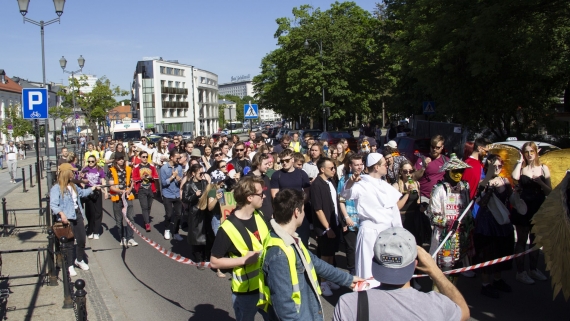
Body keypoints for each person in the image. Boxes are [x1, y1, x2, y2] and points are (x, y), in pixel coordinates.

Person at [258, 189, 362, 320]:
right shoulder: (278, 254)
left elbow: (318, 264)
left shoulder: (292, 240)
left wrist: (349, 280)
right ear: (296, 212)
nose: (304, 213)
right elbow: (284, 307)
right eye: (303, 209)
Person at [333, 227, 470, 321]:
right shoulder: (437, 305)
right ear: (416, 264)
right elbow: (463, 312)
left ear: (374, 261)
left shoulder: (349, 304)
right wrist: (435, 271)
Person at [209, 176, 271, 321]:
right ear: (250, 197)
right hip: (246, 292)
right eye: (261, 194)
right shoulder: (227, 228)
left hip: (267, 286)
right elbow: (214, 262)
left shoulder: (260, 215)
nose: (264, 196)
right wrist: (244, 260)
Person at [340, 152, 402, 288]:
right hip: (369, 232)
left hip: (387, 233)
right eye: (385, 165)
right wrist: (351, 181)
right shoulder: (361, 184)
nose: (387, 166)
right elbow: (345, 194)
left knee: (387, 269)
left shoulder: (386, 186)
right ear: (376, 167)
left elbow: (394, 212)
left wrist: (399, 232)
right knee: (367, 270)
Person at [473, 154, 516, 298]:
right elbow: (481, 202)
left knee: (501, 253)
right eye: (493, 166)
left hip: (502, 223)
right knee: (487, 254)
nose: (496, 169)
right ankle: (485, 284)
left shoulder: (505, 181)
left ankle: (498, 280)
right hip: (487, 224)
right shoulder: (483, 182)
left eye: (499, 166)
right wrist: (490, 188)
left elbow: (512, 199)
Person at [427, 153, 472, 281]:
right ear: (447, 172)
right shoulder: (439, 189)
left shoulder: (464, 188)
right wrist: (447, 222)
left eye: (461, 171)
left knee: (456, 272)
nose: (458, 174)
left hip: (460, 237)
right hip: (444, 237)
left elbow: (468, 211)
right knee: (442, 273)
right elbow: (432, 215)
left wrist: (468, 224)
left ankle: (451, 298)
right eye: (455, 171)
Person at [50, 163, 102, 276]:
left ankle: (79, 259)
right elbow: (54, 204)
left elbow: (82, 193)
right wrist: (62, 215)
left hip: (77, 214)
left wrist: (93, 188)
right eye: (72, 171)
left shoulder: (73, 185)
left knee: (81, 239)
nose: (74, 173)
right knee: (69, 243)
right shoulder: (56, 188)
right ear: (66, 173)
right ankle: (69, 265)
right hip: (67, 218)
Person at [511, 141, 551, 284]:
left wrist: (540, 183)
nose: (529, 154)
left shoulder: (544, 168)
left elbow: (549, 191)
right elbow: (515, 177)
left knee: (535, 240)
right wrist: (520, 161)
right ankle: (520, 272)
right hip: (523, 207)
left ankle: (533, 269)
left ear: (536, 151)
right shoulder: (522, 168)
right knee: (522, 239)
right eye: (526, 152)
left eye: (531, 151)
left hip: (538, 206)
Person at [310, 158, 342, 296]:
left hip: (334, 223)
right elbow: (318, 209)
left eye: (334, 167)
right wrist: (327, 228)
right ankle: (322, 282)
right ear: (322, 169)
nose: (334, 170)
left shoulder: (331, 182)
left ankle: (328, 278)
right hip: (325, 227)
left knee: (331, 255)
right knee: (324, 255)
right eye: (331, 168)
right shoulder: (316, 185)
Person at [270, 149, 311, 246]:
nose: (284, 163)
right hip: (284, 213)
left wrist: (300, 205)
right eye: (282, 161)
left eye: (287, 160)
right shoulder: (277, 175)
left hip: (300, 211)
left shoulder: (302, 174)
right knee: (286, 242)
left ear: (293, 159)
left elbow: (307, 193)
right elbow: (275, 195)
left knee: (303, 241)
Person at [337, 154, 363, 276]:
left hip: (363, 219)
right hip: (350, 218)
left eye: (360, 164)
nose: (359, 167)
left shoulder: (366, 179)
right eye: (356, 165)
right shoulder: (343, 180)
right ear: (350, 166)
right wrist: (346, 218)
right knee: (351, 247)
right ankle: (352, 271)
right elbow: (341, 200)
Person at [182, 164, 210, 269]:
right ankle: (198, 258)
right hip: (195, 213)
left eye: (203, 173)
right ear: (193, 173)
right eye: (200, 173)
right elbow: (184, 199)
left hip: (205, 212)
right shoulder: (188, 185)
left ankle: (205, 255)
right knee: (196, 236)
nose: (202, 175)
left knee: (205, 233)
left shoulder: (204, 182)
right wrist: (194, 196)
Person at [107, 156, 138, 247]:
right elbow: (111, 186)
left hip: (128, 196)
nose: (121, 161)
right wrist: (120, 191)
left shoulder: (129, 169)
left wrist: (129, 189)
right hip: (117, 197)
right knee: (119, 219)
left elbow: (132, 181)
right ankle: (122, 237)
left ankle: (130, 238)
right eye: (119, 159)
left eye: (122, 159)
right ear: (116, 160)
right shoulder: (111, 170)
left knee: (130, 218)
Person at [415, 135, 449, 203]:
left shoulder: (446, 160)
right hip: (425, 196)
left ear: (442, 147)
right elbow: (415, 176)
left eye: (437, 148)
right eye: (433, 147)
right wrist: (424, 167)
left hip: (440, 197)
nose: (434, 149)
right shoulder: (422, 159)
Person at [79, 155, 107, 240]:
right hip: (88, 191)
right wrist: (82, 189)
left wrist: (105, 191)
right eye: (89, 161)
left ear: (96, 162)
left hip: (97, 191)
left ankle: (96, 231)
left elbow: (103, 181)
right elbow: (82, 181)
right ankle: (90, 231)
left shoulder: (99, 170)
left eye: (92, 161)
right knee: (89, 212)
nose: (90, 163)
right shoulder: (85, 169)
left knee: (98, 212)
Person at [160, 150, 185, 241]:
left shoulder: (179, 167)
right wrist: (172, 177)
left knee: (178, 214)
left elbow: (181, 181)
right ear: (171, 157)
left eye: (179, 158)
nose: (178, 159)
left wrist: (179, 179)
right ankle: (167, 229)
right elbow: (163, 183)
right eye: (177, 158)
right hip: (167, 194)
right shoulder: (164, 168)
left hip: (177, 194)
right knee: (169, 214)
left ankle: (176, 232)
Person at [132, 150, 159, 232]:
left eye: (146, 157)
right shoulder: (136, 167)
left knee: (148, 206)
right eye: (143, 157)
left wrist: (152, 177)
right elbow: (134, 178)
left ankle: (146, 218)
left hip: (150, 188)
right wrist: (141, 178)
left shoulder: (151, 166)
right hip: (141, 189)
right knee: (144, 207)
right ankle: (147, 223)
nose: (145, 158)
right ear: (140, 157)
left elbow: (156, 176)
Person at [247, 152, 273, 223]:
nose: (268, 166)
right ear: (258, 164)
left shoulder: (266, 178)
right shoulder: (248, 179)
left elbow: (269, 198)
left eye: (268, 164)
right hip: (256, 216)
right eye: (265, 164)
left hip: (269, 216)